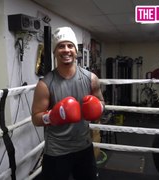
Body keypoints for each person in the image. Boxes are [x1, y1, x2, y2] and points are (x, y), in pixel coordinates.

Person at [31, 26, 105, 180]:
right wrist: (52, 116)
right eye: (61, 46)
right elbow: (36, 118)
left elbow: (102, 103)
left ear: (75, 51)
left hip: (84, 147)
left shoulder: (91, 79)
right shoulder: (45, 84)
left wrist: (97, 107)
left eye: (70, 45)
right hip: (56, 151)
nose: (66, 50)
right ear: (55, 51)